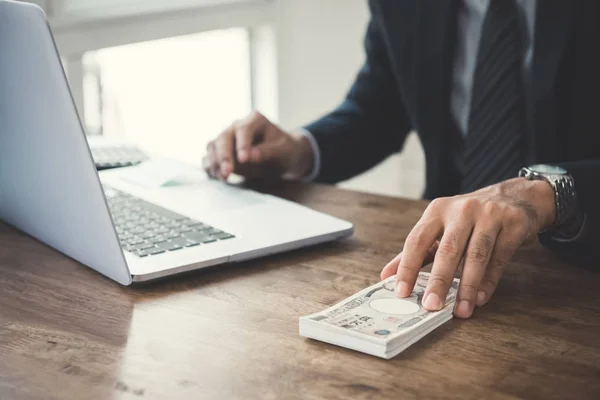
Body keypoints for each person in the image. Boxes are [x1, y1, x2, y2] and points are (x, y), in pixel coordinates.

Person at [204, 0, 600, 319]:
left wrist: (553, 193)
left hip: (580, 270)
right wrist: (299, 151)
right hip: (450, 267)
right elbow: (381, 104)